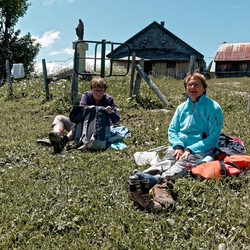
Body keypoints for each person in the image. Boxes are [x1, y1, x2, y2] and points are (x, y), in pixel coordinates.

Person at [128, 72, 224, 211]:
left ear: (204, 87)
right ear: (186, 88)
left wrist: (190, 149)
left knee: (183, 163)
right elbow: (172, 130)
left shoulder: (213, 108)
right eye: (189, 84)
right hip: (180, 146)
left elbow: (213, 137)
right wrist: (178, 146)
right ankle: (143, 177)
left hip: (201, 148)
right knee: (167, 160)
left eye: (197, 84)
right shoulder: (181, 108)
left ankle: (155, 182)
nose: (192, 87)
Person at [49, 77, 120, 154]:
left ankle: (64, 140)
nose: (98, 93)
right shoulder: (86, 96)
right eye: (96, 90)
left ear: (104, 90)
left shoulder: (108, 99)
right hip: (82, 123)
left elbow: (116, 119)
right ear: (92, 89)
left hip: (98, 128)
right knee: (59, 118)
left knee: (78, 125)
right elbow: (81, 111)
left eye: (101, 91)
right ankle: (57, 137)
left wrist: (111, 112)